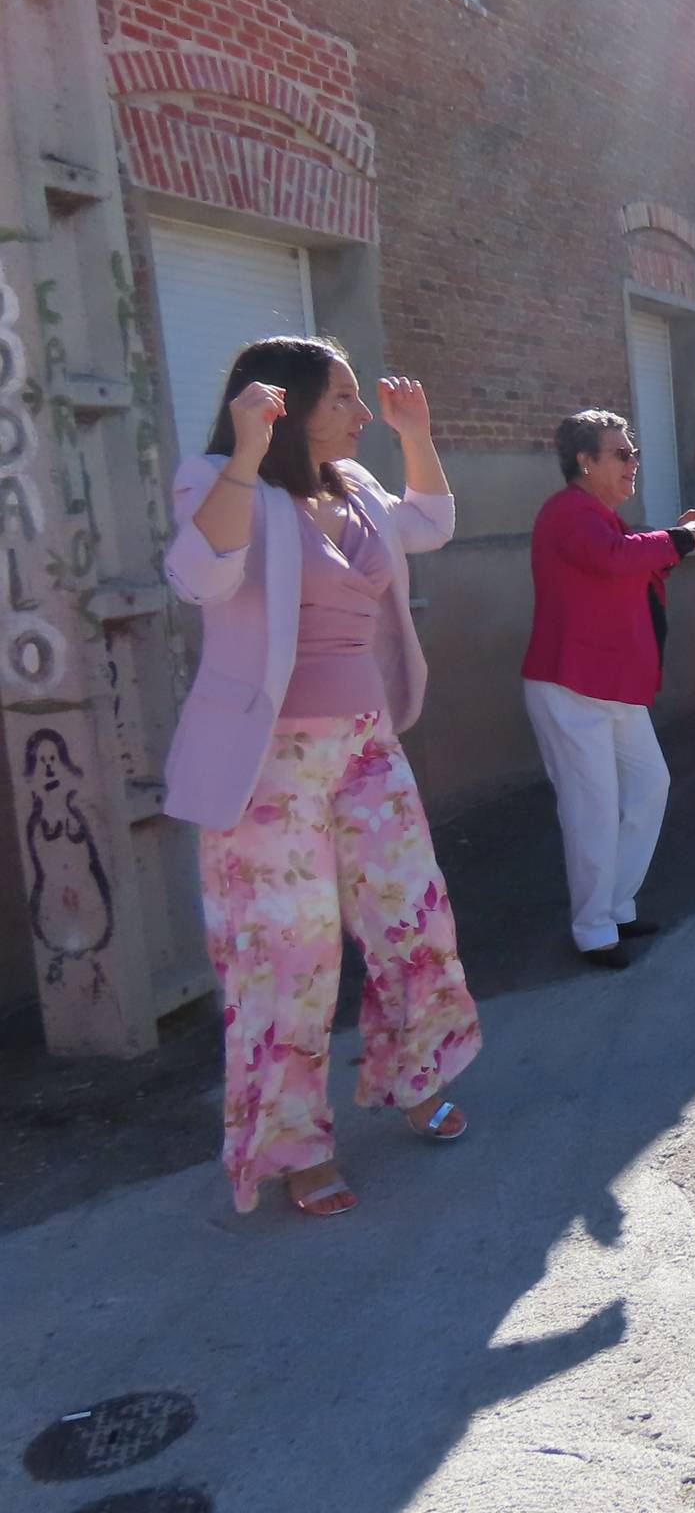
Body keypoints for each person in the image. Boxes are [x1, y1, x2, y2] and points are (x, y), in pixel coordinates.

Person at [163, 337, 478, 1218]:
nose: (360, 412)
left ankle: (415, 1081)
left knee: (414, 914)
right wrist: (246, 456)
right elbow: (197, 576)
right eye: (342, 398)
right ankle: (293, 1145)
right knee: (289, 956)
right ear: (287, 407)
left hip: (368, 744)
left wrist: (418, 436)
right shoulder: (220, 481)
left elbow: (432, 523)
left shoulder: (359, 488)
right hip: (266, 763)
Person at [523, 409, 695, 971]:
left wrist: (673, 543)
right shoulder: (569, 513)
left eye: (634, 453)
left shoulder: (601, 515)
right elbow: (616, 559)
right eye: (622, 454)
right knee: (593, 810)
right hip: (570, 686)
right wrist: (676, 538)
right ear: (587, 461)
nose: (634, 463)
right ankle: (592, 927)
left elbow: (635, 567)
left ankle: (615, 904)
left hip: (612, 687)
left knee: (650, 785)